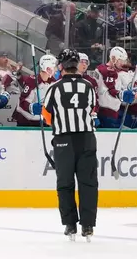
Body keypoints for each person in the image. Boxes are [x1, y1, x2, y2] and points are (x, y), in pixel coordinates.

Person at [40, 49, 98, 241]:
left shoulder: (54, 88)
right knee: (88, 183)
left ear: (61, 66)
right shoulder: (89, 86)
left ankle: (70, 225)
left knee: (65, 184)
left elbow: (46, 117)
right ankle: (88, 225)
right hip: (87, 139)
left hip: (64, 140)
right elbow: (91, 109)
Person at [94, 46, 136, 128]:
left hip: (111, 114)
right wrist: (122, 95)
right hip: (105, 115)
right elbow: (112, 90)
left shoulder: (105, 69)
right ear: (113, 58)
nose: (122, 64)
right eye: (120, 61)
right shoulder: (107, 71)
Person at [13, 54, 57, 127]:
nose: (56, 70)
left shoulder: (53, 82)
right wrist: (31, 107)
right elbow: (22, 102)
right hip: (26, 121)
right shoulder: (32, 81)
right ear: (48, 68)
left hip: (43, 121)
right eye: (54, 67)